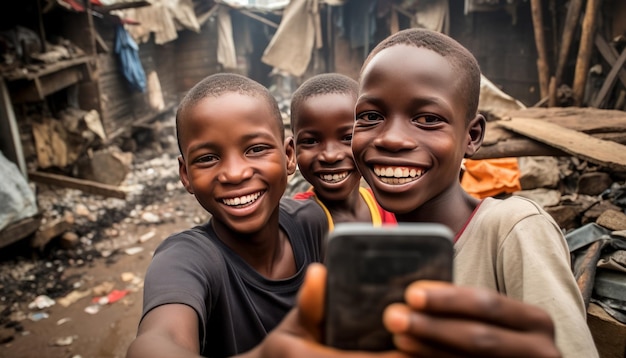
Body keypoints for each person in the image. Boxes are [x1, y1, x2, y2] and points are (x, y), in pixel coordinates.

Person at [247, 27, 598, 358]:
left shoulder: (513, 228)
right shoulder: (382, 254)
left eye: (427, 119)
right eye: (370, 116)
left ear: (472, 136)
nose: (391, 139)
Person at [126, 72, 328, 358]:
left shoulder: (315, 223)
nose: (235, 174)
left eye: (256, 149)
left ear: (289, 156)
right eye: (208, 158)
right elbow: (158, 341)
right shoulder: (186, 259)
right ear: (186, 175)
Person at [290, 73, 396, 230]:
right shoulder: (296, 222)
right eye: (311, 141)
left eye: (348, 137)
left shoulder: (389, 207)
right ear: (292, 150)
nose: (330, 156)